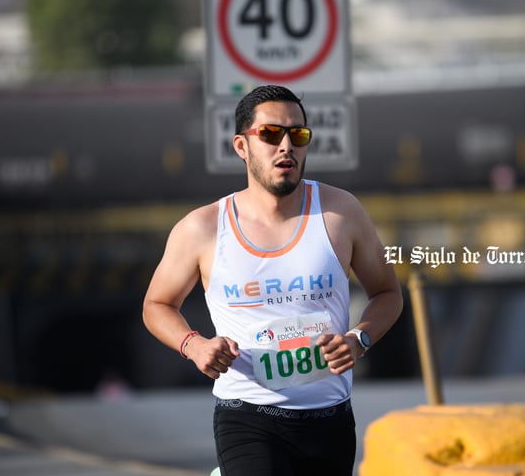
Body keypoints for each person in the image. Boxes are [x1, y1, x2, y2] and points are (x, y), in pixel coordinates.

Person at [142, 85, 404, 476]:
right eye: (270, 134)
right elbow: (156, 305)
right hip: (246, 416)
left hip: (329, 421)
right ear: (241, 146)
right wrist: (194, 346)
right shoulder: (203, 227)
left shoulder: (341, 213)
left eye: (298, 135)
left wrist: (358, 339)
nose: (286, 146)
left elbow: (387, 293)